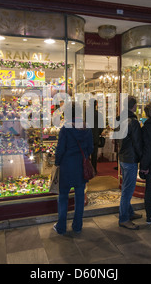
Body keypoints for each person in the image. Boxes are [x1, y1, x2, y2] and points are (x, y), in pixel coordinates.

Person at [54, 105, 93, 235]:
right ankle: (77, 225)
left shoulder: (66, 129)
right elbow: (91, 148)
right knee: (80, 195)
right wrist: (84, 156)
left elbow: (60, 149)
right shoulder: (86, 128)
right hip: (81, 166)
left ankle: (61, 226)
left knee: (63, 196)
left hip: (66, 166)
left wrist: (57, 163)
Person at [118, 95, 143, 230]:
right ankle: (124, 218)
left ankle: (130, 212)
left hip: (123, 157)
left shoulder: (121, 119)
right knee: (128, 190)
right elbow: (137, 142)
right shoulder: (132, 121)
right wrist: (142, 156)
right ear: (134, 106)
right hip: (130, 158)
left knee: (126, 187)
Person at [87, 99, 104, 174]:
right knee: (94, 155)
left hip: (87, 136)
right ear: (96, 104)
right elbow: (101, 126)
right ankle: (94, 169)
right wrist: (99, 132)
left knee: (86, 155)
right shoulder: (99, 114)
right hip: (95, 137)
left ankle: (87, 170)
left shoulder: (86, 114)